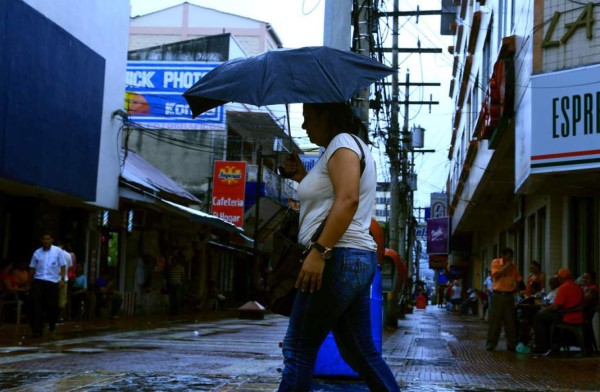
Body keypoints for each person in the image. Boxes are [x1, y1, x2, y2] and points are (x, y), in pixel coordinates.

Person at [277, 102, 399, 391]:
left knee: (298, 347)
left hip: (337, 257)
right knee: (358, 350)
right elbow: (333, 198)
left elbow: (347, 200)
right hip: (353, 259)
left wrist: (319, 252)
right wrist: (300, 178)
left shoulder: (341, 143)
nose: (305, 126)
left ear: (326, 116)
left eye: (308, 118)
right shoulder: (345, 148)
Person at [532, 268, 584, 355]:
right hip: (578, 315)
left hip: (567, 316)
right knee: (545, 317)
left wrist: (544, 309)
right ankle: (552, 344)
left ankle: (541, 347)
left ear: (561, 279)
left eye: (558, 278)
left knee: (539, 316)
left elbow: (555, 306)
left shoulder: (563, 288)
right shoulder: (577, 287)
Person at [28, 233, 68, 338]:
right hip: (39, 281)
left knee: (52, 306)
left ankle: (52, 323)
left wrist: (62, 279)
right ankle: (37, 330)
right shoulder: (37, 252)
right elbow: (32, 267)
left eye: (48, 239)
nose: (46, 241)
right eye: (44, 239)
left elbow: (63, 265)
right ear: (41, 240)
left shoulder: (57, 251)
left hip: (52, 282)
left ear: (51, 240)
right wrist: (29, 282)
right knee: (37, 307)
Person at [485, 247, 522, 352]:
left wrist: (516, 289)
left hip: (509, 296)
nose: (510, 259)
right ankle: (491, 344)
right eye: (508, 256)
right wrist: (506, 266)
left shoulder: (513, 267)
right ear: (503, 255)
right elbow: (496, 275)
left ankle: (512, 344)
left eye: (512, 257)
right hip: (497, 295)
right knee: (495, 321)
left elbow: (518, 279)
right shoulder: (495, 263)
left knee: (510, 321)